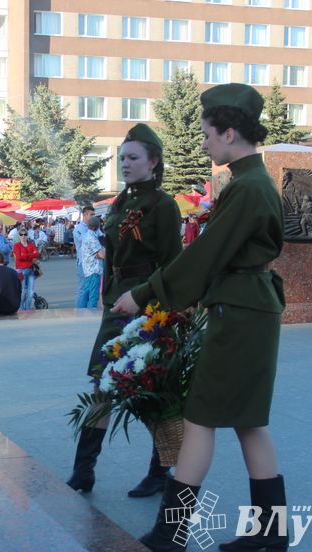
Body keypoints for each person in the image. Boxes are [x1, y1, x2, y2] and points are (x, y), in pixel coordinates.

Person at [112, 84, 289, 552]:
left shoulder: (247, 187)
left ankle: (172, 535)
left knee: (199, 420)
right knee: (249, 422)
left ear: (230, 132)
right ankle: (271, 530)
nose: (205, 143)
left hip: (239, 314)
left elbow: (206, 256)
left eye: (209, 133)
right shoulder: (253, 183)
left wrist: (145, 294)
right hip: (251, 308)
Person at [65, 123, 182, 501]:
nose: (125, 164)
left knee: (147, 389)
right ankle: (83, 471)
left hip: (147, 306)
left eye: (133, 158)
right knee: (102, 384)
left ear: (153, 162)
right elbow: (111, 252)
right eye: (122, 158)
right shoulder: (118, 202)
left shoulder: (163, 206)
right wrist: (106, 295)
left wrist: (162, 311)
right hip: (116, 303)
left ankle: (161, 471)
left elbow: (172, 262)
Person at [76, 216, 104, 309]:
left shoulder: (86, 235)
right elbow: (101, 255)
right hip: (94, 270)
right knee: (93, 296)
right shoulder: (92, 238)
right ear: (98, 226)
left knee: (86, 293)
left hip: (88, 269)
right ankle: (92, 315)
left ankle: (80, 312)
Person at [13, 228, 40, 310]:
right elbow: (19, 257)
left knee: (31, 292)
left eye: (25, 234)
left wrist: (25, 254)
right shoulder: (17, 245)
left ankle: (27, 308)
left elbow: (37, 254)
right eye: (21, 234)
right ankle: (21, 308)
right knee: (23, 292)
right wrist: (31, 255)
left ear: (27, 235)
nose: (23, 236)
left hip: (31, 270)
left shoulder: (31, 244)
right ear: (19, 236)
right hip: (21, 270)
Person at [74, 205, 96, 301]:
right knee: (82, 289)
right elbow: (86, 242)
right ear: (85, 215)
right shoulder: (78, 229)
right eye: (92, 215)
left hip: (94, 263)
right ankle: (80, 313)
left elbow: (102, 240)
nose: (93, 217)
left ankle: (89, 311)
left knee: (92, 289)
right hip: (83, 263)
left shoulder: (95, 228)